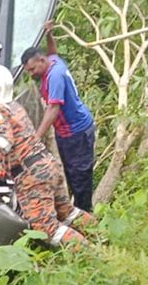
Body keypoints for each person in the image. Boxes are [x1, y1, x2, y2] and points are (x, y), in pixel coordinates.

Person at [0, 63, 91, 246]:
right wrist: (1, 174)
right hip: (47, 165)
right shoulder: (14, 106)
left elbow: (4, 141)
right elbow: (19, 143)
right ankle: (104, 236)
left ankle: (96, 256)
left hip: (32, 175)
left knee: (45, 229)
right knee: (67, 212)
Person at [20, 26, 95, 212]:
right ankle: (78, 213)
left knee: (79, 179)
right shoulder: (52, 61)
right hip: (67, 132)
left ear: (41, 60)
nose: (31, 74)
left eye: (32, 69)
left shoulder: (55, 76)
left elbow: (53, 109)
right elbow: (54, 52)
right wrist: (49, 35)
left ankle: (86, 217)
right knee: (71, 174)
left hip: (76, 133)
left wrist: (35, 138)